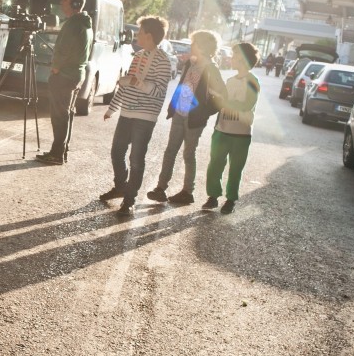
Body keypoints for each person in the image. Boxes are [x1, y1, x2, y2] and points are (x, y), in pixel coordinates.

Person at [100, 16, 172, 217]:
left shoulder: (163, 60)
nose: (137, 35)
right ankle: (121, 186)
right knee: (116, 152)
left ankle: (129, 201)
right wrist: (112, 109)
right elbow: (125, 85)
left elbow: (159, 91)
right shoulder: (138, 55)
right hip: (126, 113)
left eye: (140, 32)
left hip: (145, 116)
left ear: (148, 35)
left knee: (136, 159)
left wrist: (138, 83)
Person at [146, 29, 226, 205]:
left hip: (194, 120)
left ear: (203, 46)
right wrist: (173, 107)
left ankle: (187, 192)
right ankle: (160, 188)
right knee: (170, 151)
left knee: (189, 154)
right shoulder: (191, 63)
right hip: (179, 114)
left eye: (194, 43)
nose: (191, 46)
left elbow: (222, 97)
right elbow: (183, 85)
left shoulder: (211, 69)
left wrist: (203, 112)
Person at [35, 0, 93, 165]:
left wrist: (55, 69)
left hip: (65, 75)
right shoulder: (84, 23)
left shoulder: (74, 23)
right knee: (66, 114)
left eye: (65, 0)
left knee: (59, 115)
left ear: (75, 4)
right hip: (76, 75)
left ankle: (57, 153)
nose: (61, 3)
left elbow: (63, 50)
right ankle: (61, 151)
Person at [203, 42, 260, 215]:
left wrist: (223, 100)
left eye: (235, 56)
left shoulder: (253, 81)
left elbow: (247, 105)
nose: (231, 59)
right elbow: (220, 104)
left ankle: (231, 199)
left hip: (241, 133)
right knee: (215, 164)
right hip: (222, 129)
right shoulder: (229, 80)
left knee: (236, 168)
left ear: (243, 59)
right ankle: (213, 196)